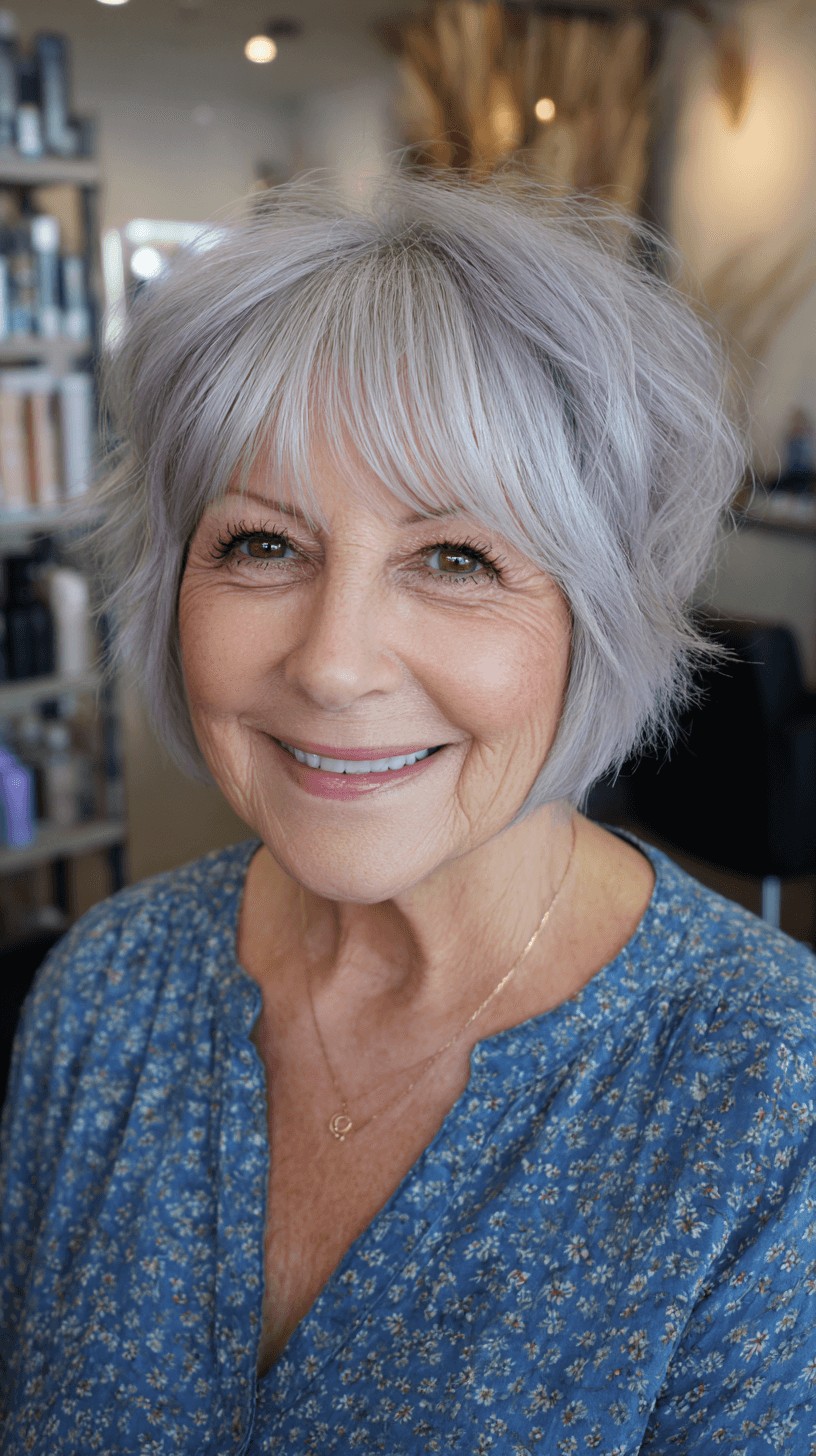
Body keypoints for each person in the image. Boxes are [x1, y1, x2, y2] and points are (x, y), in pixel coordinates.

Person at [1, 164, 814, 1455]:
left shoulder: (771, 1104)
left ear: (593, 620)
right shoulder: (106, 998)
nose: (333, 661)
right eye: (262, 543)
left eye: (455, 558)